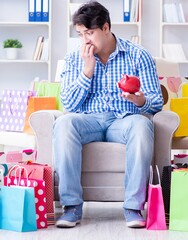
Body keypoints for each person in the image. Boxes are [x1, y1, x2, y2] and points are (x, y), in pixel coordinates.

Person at [53, 1, 163, 229]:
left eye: (90, 33)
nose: (85, 40)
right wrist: (87, 70)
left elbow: (157, 101)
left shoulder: (138, 56)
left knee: (142, 126)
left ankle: (133, 207)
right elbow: (69, 104)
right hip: (88, 120)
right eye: (80, 34)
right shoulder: (75, 59)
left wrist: (140, 100)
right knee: (64, 124)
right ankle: (72, 207)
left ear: (105, 28)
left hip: (124, 121)